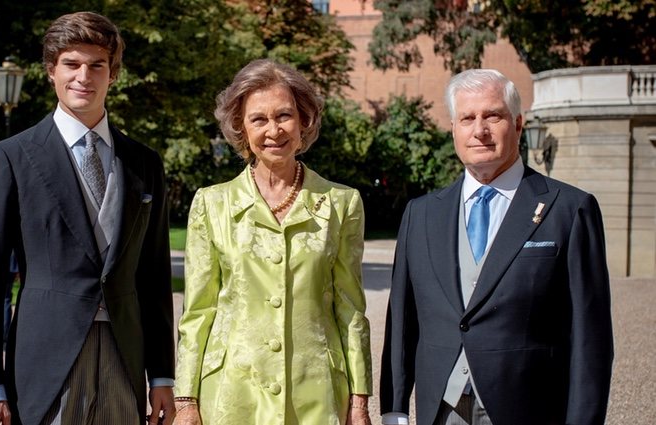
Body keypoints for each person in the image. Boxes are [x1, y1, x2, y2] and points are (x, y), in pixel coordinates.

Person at [0, 11, 175, 425]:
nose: (84, 76)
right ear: (51, 71)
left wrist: (162, 375)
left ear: (113, 74)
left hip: (124, 358)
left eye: (97, 65)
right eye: (71, 64)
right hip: (45, 362)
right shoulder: (8, 158)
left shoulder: (145, 163)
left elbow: (153, 277)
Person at [379, 69, 614, 425]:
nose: (479, 130)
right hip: (442, 408)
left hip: (529, 408)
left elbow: (590, 336)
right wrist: (394, 407)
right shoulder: (421, 214)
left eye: (493, 115)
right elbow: (402, 321)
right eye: (467, 118)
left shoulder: (570, 209)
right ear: (454, 129)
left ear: (518, 124)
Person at [173, 59, 373, 425]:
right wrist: (186, 401)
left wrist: (359, 401)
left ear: (304, 122)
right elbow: (198, 312)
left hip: (316, 392)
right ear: (241, 127)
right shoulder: (211, 204)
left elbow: (350, 310)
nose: (274, 130)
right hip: (233, 394)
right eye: (258, 119)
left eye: (284, 116)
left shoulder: (342, 203)